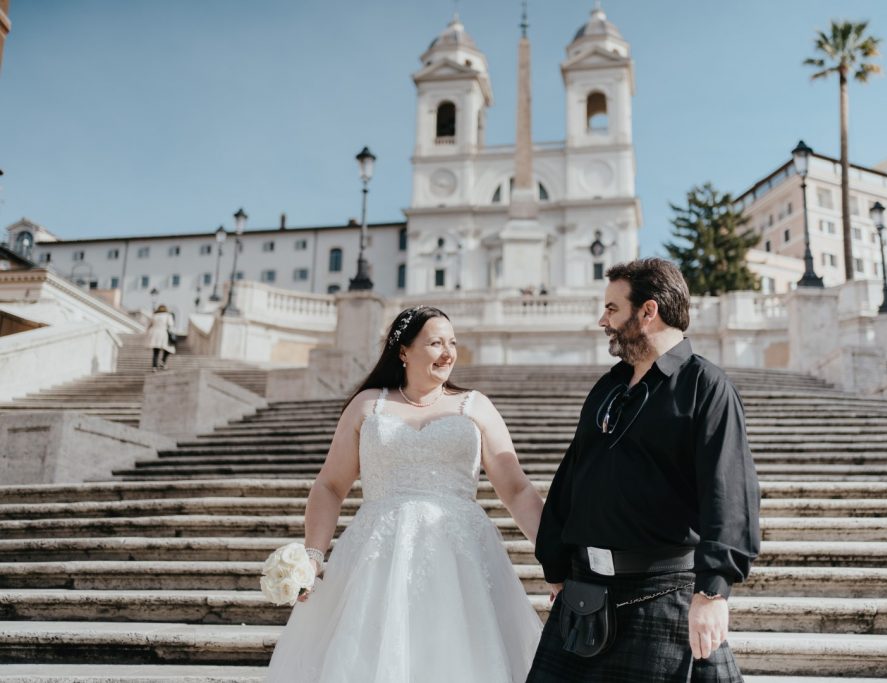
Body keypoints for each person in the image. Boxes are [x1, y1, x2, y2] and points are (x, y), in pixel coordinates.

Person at [267, 305, 544, 682]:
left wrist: (555, 558)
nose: (448, 352)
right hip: (377, 557)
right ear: (404, 351)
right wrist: (313, 556)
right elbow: (330, 486)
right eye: (435, 343)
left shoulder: (476, 406)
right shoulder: (367, 406)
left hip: (460, 560)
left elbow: (517, 490)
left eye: (452, 343)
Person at [527, 258, 760, 682]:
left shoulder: (705, 386)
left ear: (648, 311)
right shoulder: (608, 387)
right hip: (585, 593)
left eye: (613, 309)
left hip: (663, 593)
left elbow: (727, 492)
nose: (603, 320)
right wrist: (557, 566)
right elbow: (572, 478)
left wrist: (712, 593)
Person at [145, 305, 175, 371]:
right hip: (163, 333)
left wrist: (147, 333)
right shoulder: (168, 315)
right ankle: (163, 361)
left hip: (154, 333)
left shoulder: (154, 315)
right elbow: (171, 324)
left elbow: (149, 325)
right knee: (168, 349)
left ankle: (154, 366)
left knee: (156, 352)